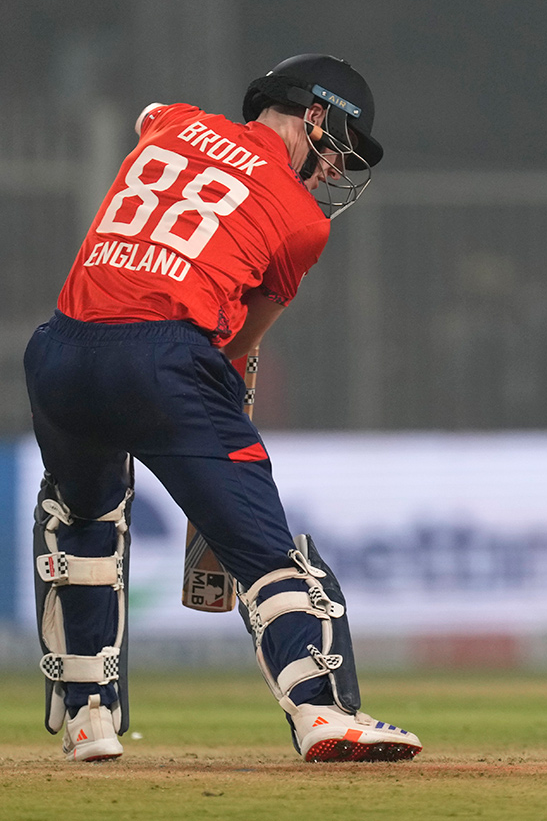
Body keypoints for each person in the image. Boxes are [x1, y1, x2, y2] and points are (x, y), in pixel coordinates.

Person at [24, 54, 422, 763]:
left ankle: (90, 718)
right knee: (267, 554)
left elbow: (150, 115)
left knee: (82, 519)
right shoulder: (303, 223)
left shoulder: (173, 124)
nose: (334, 170)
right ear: (316, 116)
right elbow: (238, 345)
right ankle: (320, 711)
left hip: (59, 352)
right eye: (338, 149)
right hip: (163, 362)